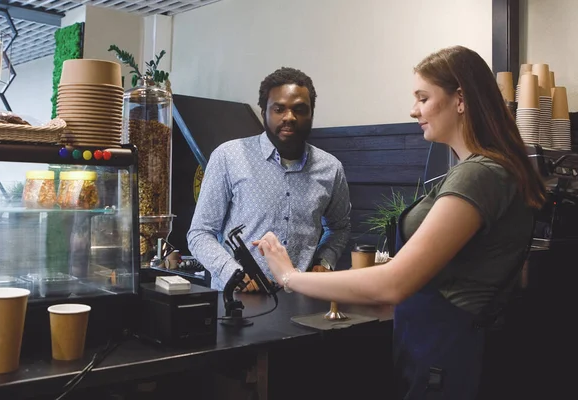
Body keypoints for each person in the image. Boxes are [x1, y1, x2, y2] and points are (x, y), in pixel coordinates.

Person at [254, 46, 546, 399]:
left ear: (460, 99)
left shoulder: (479, 176)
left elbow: (394, 284)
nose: (413, 110)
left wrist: (290, 276)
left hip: (448, 355)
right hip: (431, 346)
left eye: (423, 98)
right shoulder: (475, 172)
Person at [187, 66, 351, 292]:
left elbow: (340, 228)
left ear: (311, 112)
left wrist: (323, 263)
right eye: (279, 109)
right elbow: (199, 234)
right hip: (237, 306)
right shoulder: (228, 157)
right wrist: (234, 274)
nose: (289, 117)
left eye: (300, 109)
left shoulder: (330, 168)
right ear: (264, 110)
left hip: (302, 302)